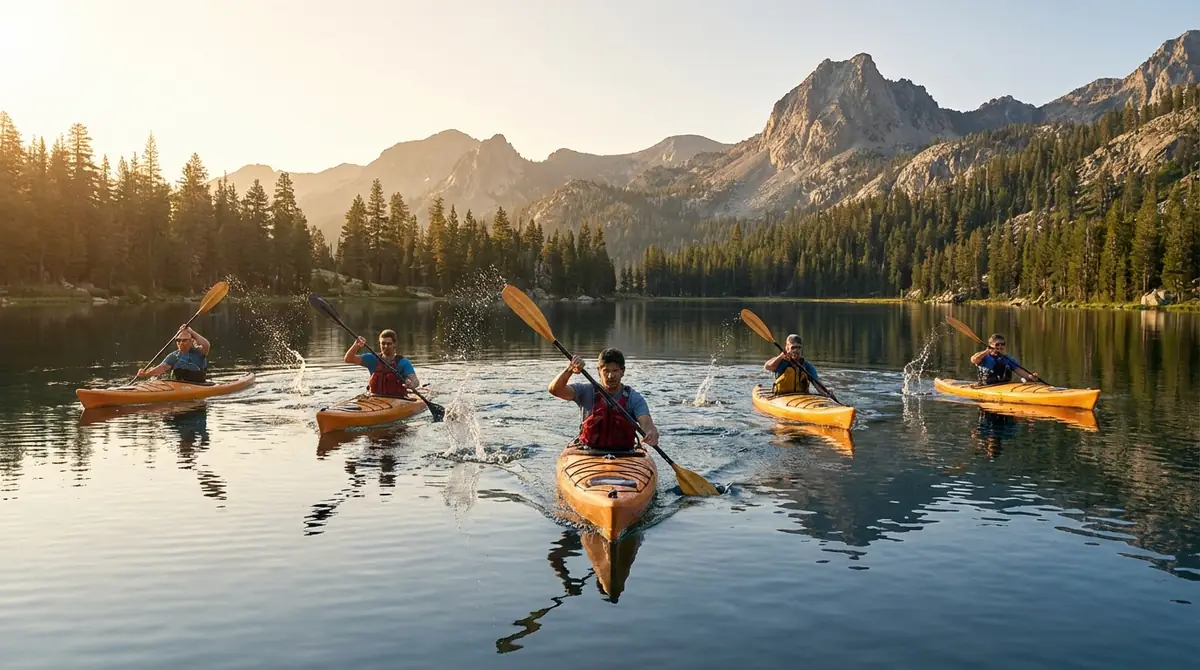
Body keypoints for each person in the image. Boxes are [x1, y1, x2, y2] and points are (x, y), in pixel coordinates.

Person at [548, 347, 660, 450]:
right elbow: (555, 390)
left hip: (625, 452)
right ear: (599, 371)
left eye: (615, 370)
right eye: (606, 371)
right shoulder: (585, 391)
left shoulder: (633, 398)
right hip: (588, 450)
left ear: (623, 371)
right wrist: (569, 370)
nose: (610, 376)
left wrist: (651, 432)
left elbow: (647, 423)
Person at [344, 329, 420, 397]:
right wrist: (356, 345)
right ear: (379, 344)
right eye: (383, 343)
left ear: (395, 344)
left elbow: (415, 381)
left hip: (397, 399)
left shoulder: (403, 362)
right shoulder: (372, 359)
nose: (386, 346)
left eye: (389, 344)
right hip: (374, 397)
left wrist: (411, 384)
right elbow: (348, 359)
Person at [137, 324, 210, 383]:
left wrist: (191, 332)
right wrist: (146, 374)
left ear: (191, 341)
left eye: (185, 340)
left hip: (198, 384)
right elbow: (161, 368)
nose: (181, 343)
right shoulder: (174, 356)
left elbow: (206, 345)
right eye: (178, 340)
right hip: (178, 385)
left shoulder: (199, 352)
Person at [970, 333, 1039, 385]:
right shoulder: (984, 356)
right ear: (991, 345)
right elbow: (974, 360)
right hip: (986, 386)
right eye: (997, 344)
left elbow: (1020, 371)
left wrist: (1030, 376)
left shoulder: (1008, 358)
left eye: (1002, 344)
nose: (1000, 346)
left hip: (1003, 386)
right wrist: (987, 351)